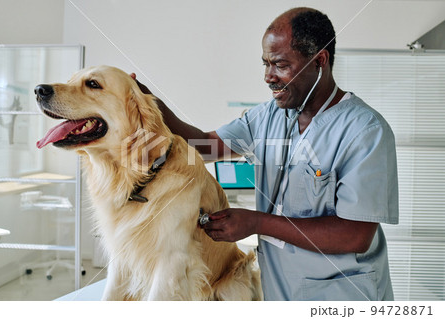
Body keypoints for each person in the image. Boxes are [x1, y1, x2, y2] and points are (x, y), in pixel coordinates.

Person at [133, 7, 399, 301]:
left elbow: (355, 235)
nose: (268, 77)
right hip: (281, 293)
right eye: (266, 64)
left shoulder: (365, 130)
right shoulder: (270, 116)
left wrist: (256, 222)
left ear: (319, 61)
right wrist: (148, 102)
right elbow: (204, 144)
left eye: (280, 65)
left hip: (343, 297)